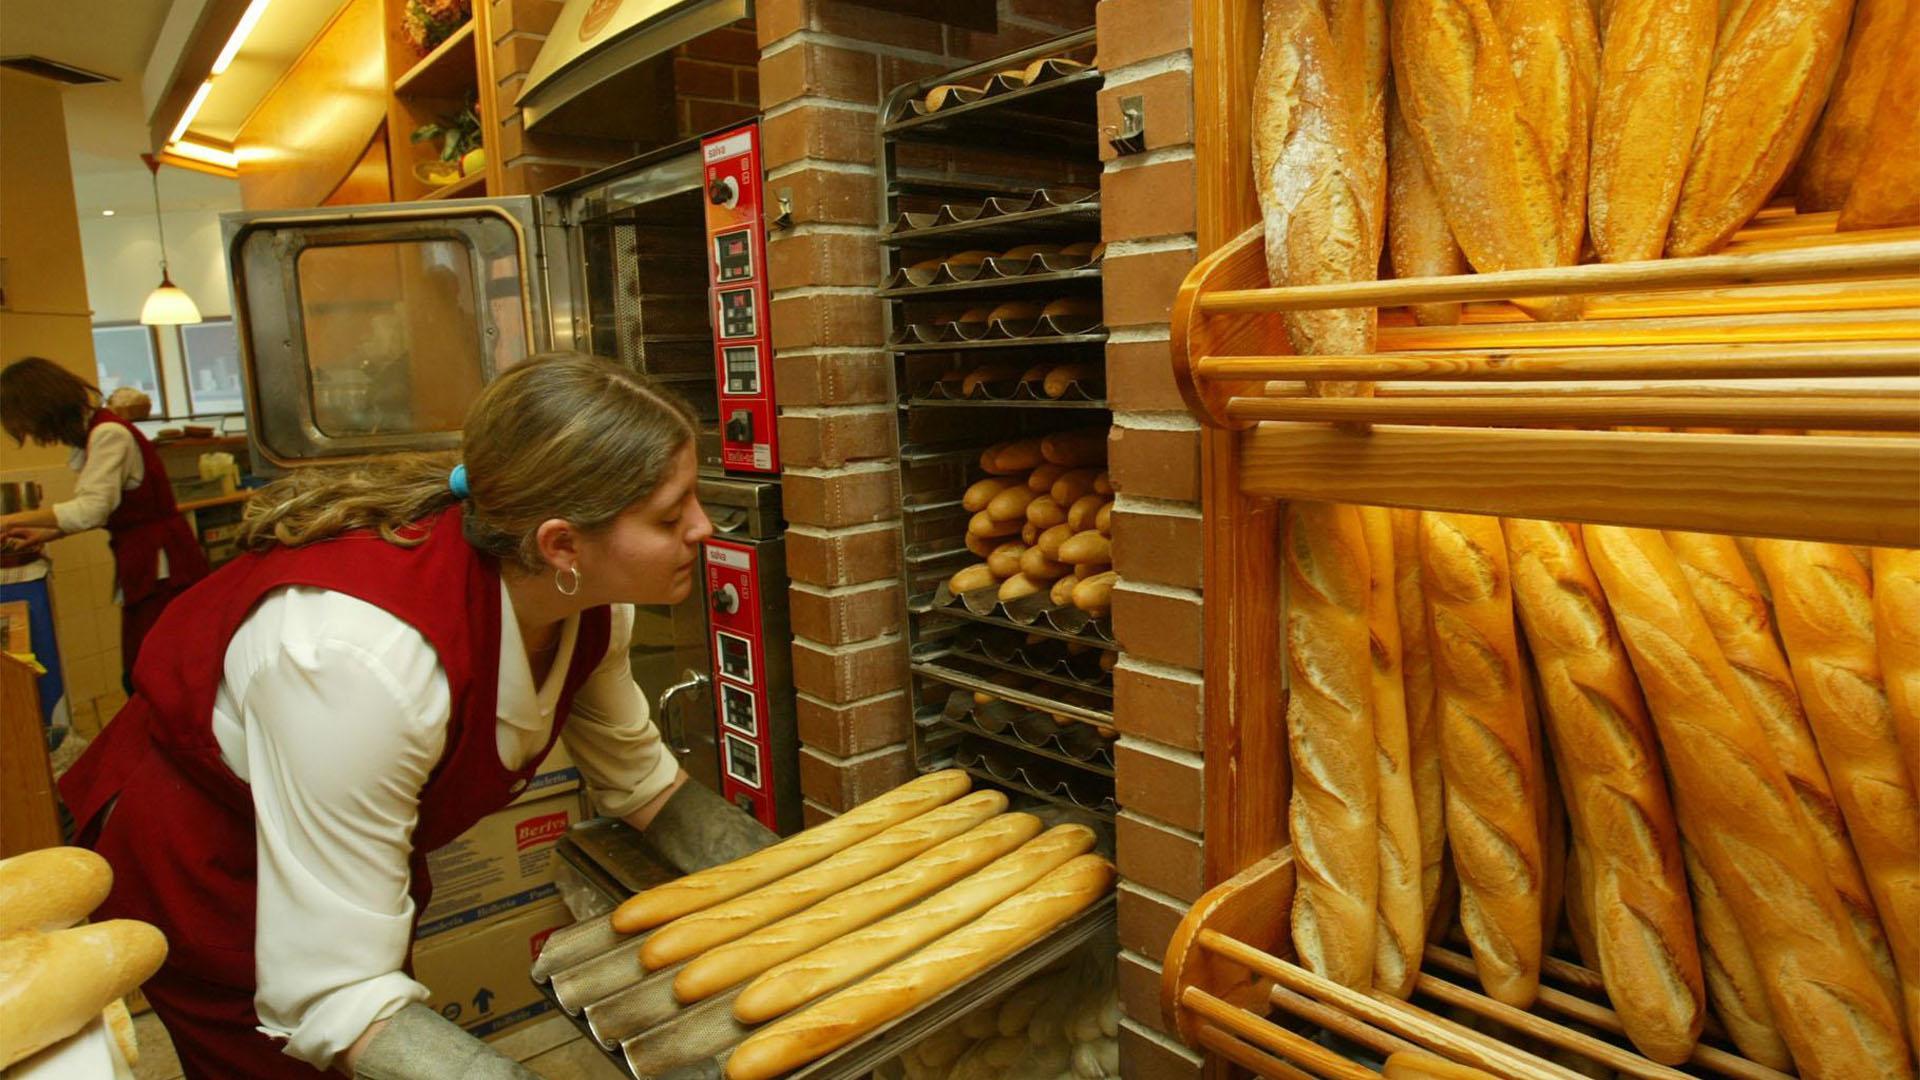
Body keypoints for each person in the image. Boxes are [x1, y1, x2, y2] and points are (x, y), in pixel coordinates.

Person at [57, 354, 776, 1078]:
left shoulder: (587, 605)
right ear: (561, 544)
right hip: (205, 866)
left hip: (333, 844)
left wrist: (802, 886)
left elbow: (644, 785)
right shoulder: (359, 662)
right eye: (670, 514)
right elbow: (339, 996)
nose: (703, 527)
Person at [0, 357, 210, 678]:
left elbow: (92, 509)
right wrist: (47, 533)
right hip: (144, 558)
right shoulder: (95, 434)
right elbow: (104, 509)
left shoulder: (109, 434)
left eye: (28, 424)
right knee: (155, 664)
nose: (31, 433)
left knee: (159, 666)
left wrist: (9, 520)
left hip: (162, 563)